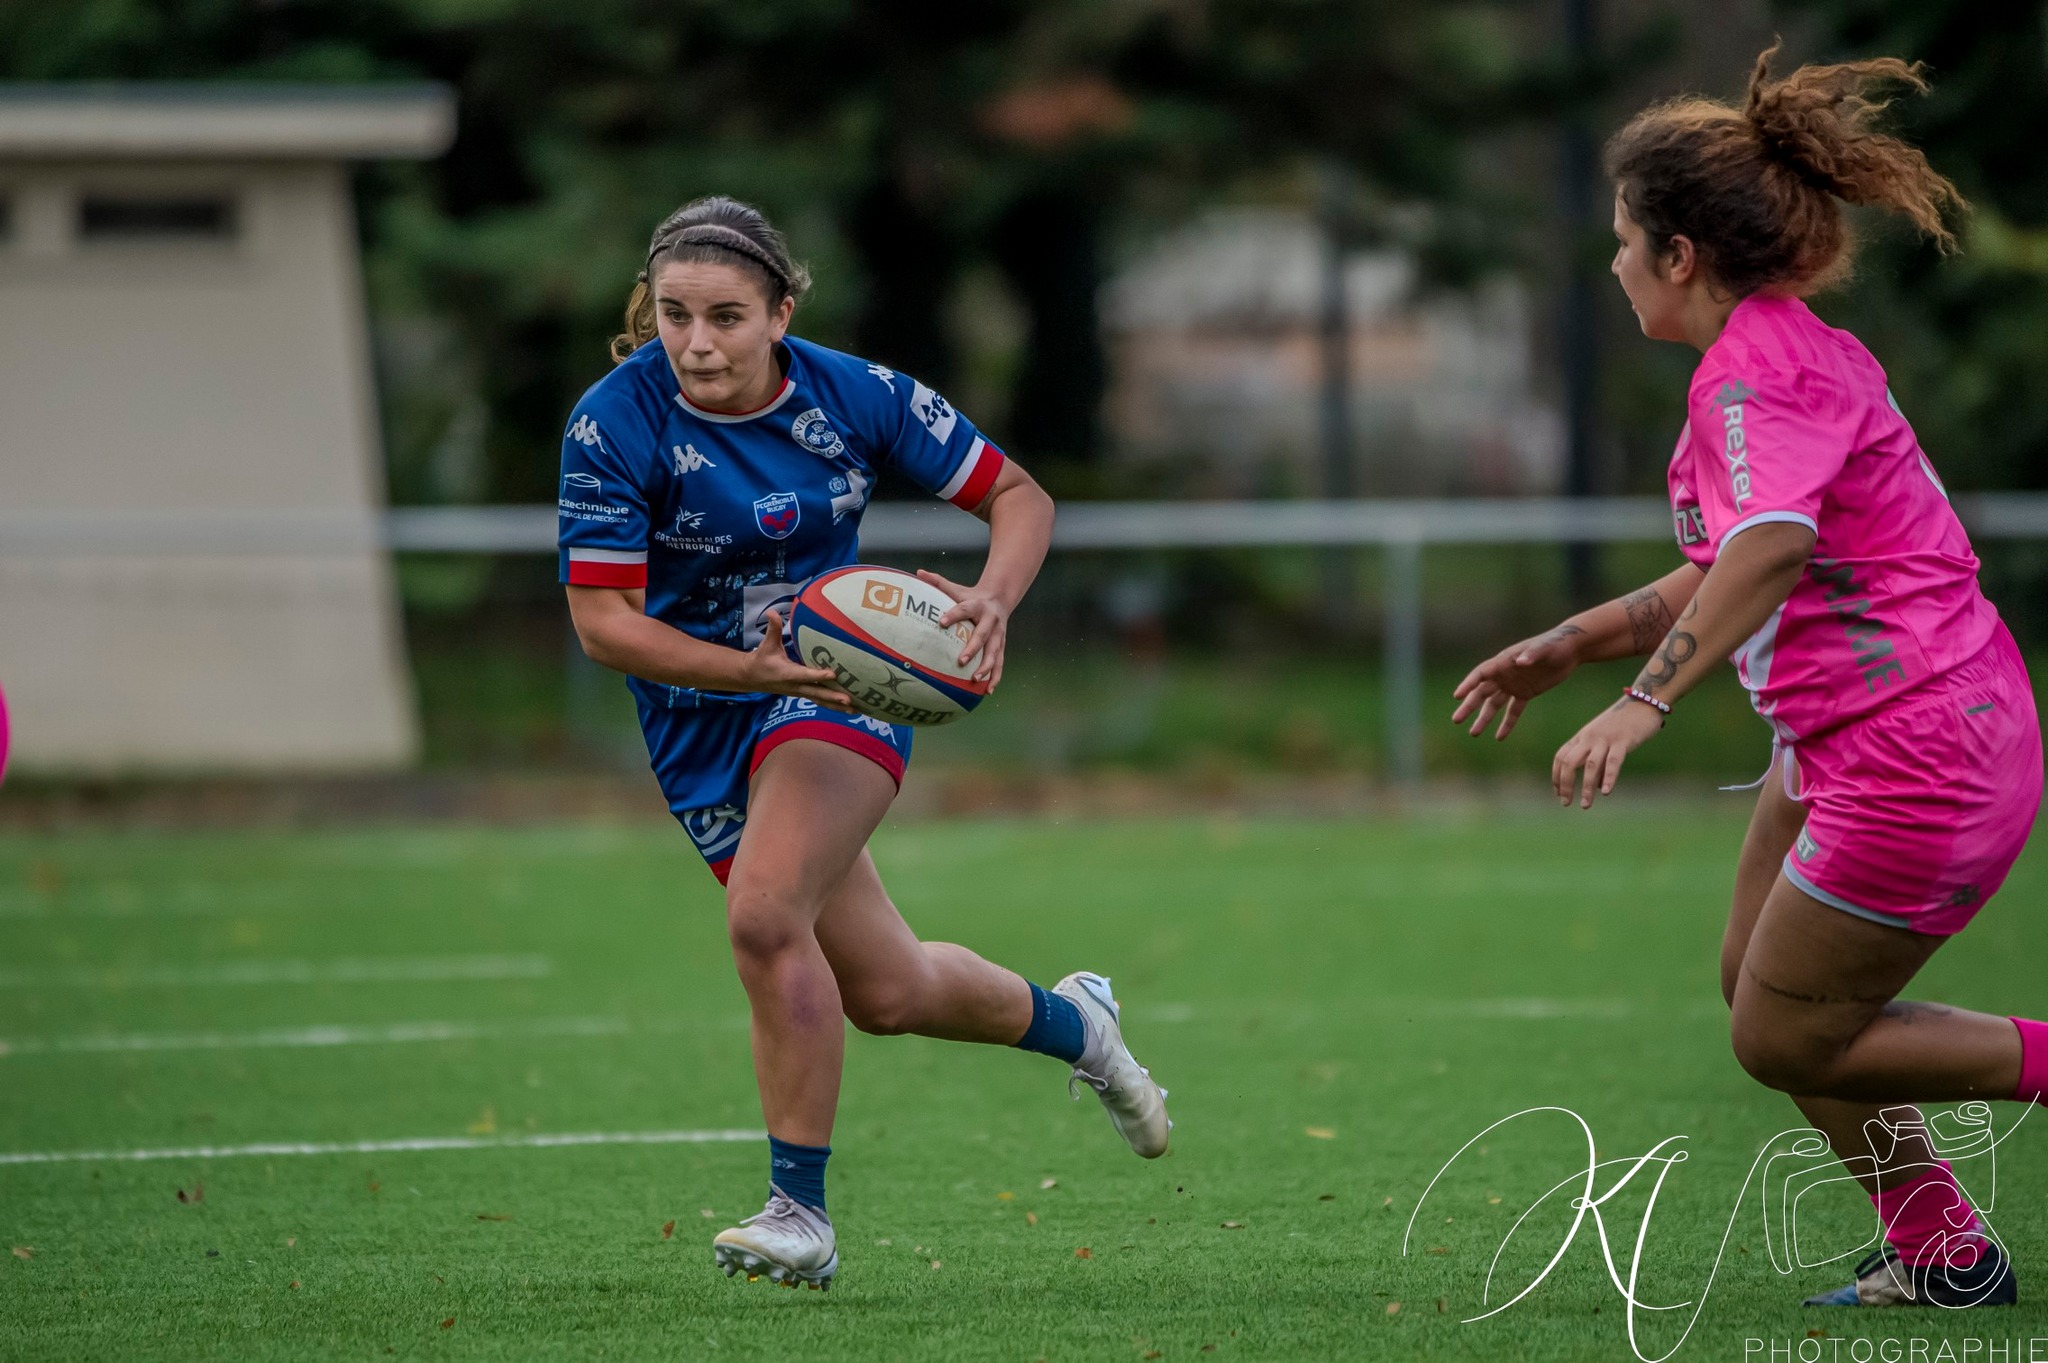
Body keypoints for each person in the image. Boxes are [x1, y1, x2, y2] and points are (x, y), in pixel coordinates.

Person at [1454, 47, 2043, 1309]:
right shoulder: (1776, 353)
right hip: (1880, 730)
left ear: (1677, 255)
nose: (1610, 264)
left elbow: (1769, 549)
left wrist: (1644, 697)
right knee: (1756, 979)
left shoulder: (1753, 368)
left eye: (1621, 239)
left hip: (1916, 743)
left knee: (1781, 1032)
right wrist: (1581, 642)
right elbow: (1734, 560)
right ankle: (1941, 1247)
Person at [558, 196, 1170, 1292]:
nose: (696, 342)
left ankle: (800, 1213)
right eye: (674, 316)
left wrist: (990, 600)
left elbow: (1017, 496)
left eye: (727, 317)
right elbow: (604, 625)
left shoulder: (858, 394)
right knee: (886, 992)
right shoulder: (614, 421)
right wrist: (742, 671)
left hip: (836, 687)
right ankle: (1077, 1021)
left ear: (782, 311)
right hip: (701, 713)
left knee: (761, 915)